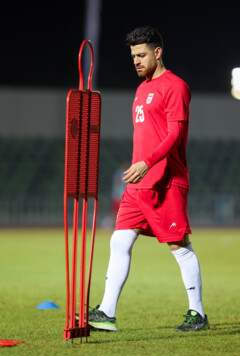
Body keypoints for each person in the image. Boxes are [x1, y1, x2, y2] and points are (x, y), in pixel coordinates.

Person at [81, 26, 210, 332]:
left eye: (141, 55)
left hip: (165, 180)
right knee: (120, 239)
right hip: (138, 183)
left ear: (157, 52)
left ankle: (198, 314)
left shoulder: (176, 86)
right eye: (132, 56)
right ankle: (107, 313)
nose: (136, 61)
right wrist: (140, 165)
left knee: (179, 245)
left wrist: (147, 162)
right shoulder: (141, 89)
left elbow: (174, 134)